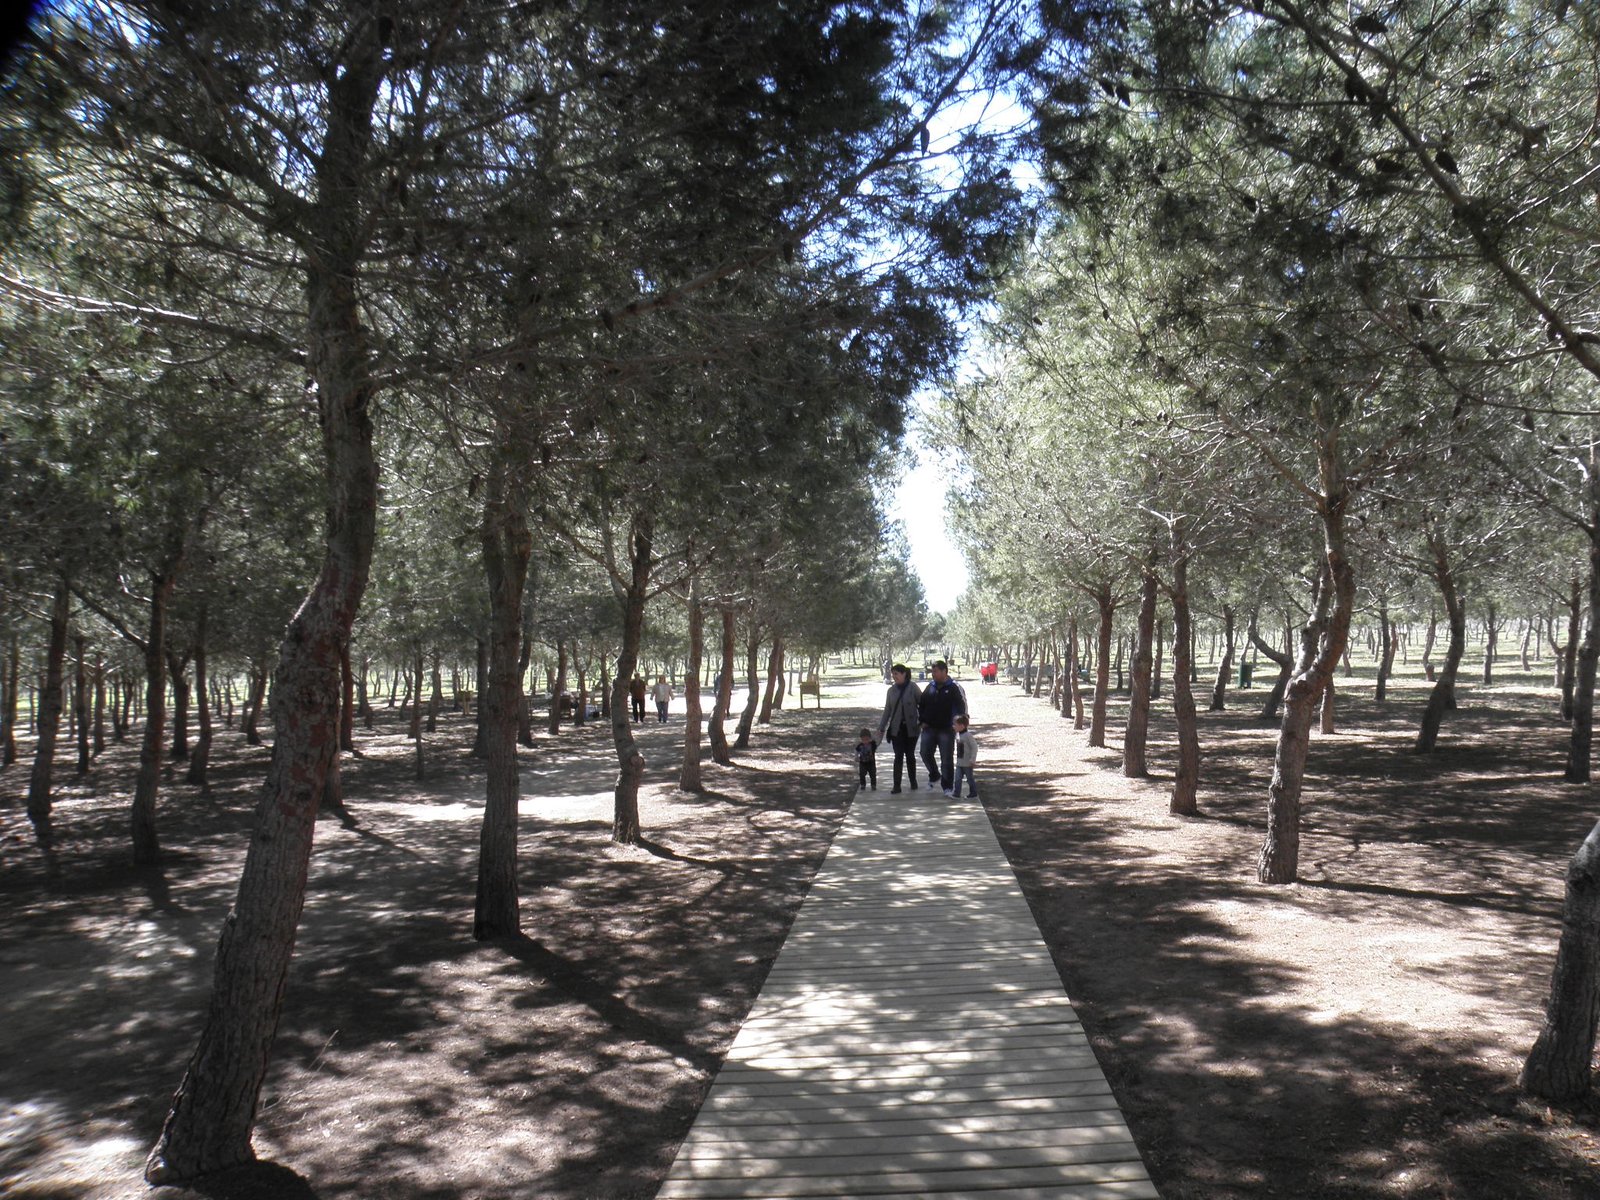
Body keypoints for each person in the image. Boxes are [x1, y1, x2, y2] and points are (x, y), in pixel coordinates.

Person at [918, 659, 967, 796]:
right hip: (929, 727)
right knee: (925, 753)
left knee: (946, 759)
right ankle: (934, 774)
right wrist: (921, 720)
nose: (933, 674)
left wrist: (957, 723)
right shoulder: (930, 687)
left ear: (944, 671)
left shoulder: (953, 688)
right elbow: (921, 705)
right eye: (932, 671)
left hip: (946, 729)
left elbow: (960, 707)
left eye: (936, 671)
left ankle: (947, 787)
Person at [877, 662, 922, 794]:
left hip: (912, 728)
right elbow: (887, 710)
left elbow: (922, 704)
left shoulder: (913, 687)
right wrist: (881, 728)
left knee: (910, 755)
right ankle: (897, 785)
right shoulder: (891, 691)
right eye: (893, 674)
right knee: (898, 756)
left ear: (904, 674)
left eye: (896, 674)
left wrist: (923, 721)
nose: (894, 676)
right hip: (897, 729)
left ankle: (913, 781)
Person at [952, 714, 979, 799]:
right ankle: (956, 793)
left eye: (955, 725)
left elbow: (974, 747)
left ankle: (973, 793)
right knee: (957, 779)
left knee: (970, 779)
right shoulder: (958, 735)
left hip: (967, 763)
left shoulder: (968, 736)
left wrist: (972, 759)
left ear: (962, 726)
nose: (954, 726)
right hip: (960, 762)